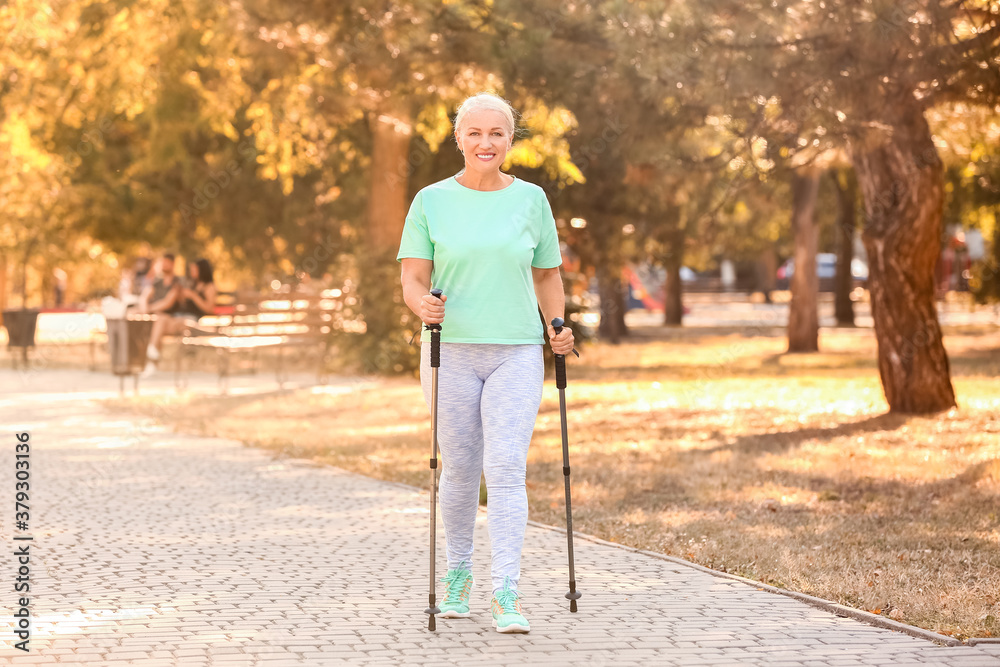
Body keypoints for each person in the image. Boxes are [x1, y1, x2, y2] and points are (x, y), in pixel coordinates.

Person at [396, 91, 574, 634]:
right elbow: (412, 277)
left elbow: (547, 275)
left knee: (504, 467)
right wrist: (420, 304)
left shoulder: (532, 200)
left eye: (496, 133)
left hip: (517, 350)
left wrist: (557, 326)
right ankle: (457, 576)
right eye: (474, 133)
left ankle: (506, 589)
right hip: (449, 350)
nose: (485, 142)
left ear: (510, 139)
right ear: (458, 139)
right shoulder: (430, 200)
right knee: (461, 469)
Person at [141, 255, 216, 376]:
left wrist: (193, 296)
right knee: (160, 319)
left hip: (193, 321)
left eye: (194, 269)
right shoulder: (191, 284)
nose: (192, 272)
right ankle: (152, 360)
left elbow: (210, 308)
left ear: (201, 270)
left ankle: (151, 359)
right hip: (179, 318)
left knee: (159, 324)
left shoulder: (209, 287)